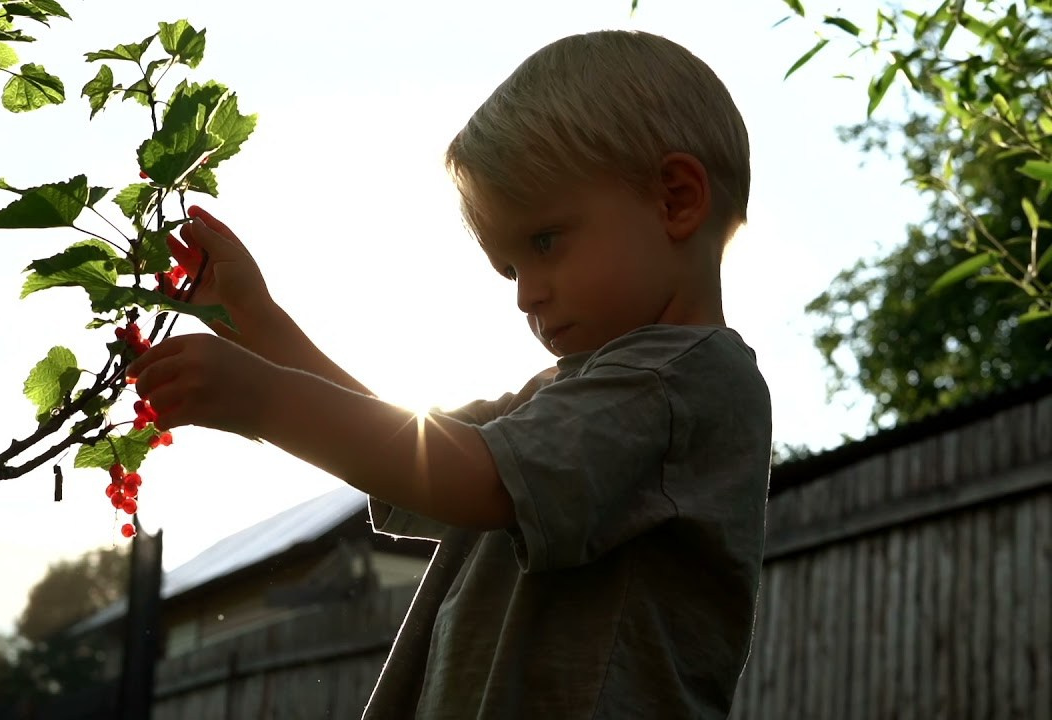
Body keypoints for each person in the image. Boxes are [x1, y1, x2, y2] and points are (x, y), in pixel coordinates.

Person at [126, 28, 772, 719]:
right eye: (510, 269)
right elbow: (416, 459)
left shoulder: (685, 383)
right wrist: (258, 323)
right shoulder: (565, 397)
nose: (526, 295)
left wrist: (265, 399)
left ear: (675, 199)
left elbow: (471, 478)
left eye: (545, 241)